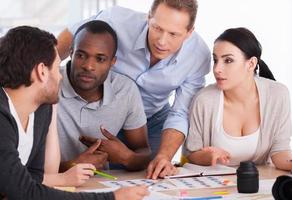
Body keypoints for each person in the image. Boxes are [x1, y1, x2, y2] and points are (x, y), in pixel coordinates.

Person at [57, 0, 211, 179]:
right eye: (157, 28)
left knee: (145, 175)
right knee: (95, 174)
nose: (162, 41)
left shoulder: (198, 56)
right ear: (149, 18)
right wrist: (44, 72)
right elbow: (76, 37)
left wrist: (164, 156)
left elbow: (180, 113)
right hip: (105, 114)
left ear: (189, 32)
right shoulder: (116, 20)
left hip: (152, 119)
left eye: (173, 34)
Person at [0, 25, 148, 200]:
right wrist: (113, 198)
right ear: (41, 71)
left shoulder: (37, 111)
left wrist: (52, 106)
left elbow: (37, 177)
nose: (61, 76)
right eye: (56, 68)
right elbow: (27, 192)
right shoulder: (2, 120)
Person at [185, 27, 292, 171]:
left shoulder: (277, 94)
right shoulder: (204, 100)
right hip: (215, 185)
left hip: (258, 184)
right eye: (215, 60)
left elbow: (280, 149)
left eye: (228, 60)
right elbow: (192, 153)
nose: (217, 69)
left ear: (251, 64)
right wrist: (210, 156)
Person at [56, 20, 151, 173]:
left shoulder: (125, 90)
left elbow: (144, 152)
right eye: (81, 55)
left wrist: (126, 157)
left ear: (112, 62)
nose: (88, 66)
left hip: (100, 187)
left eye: (100, 59)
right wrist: (72, 166)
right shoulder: (47, 84)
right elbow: (23, 166)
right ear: (71, 53)